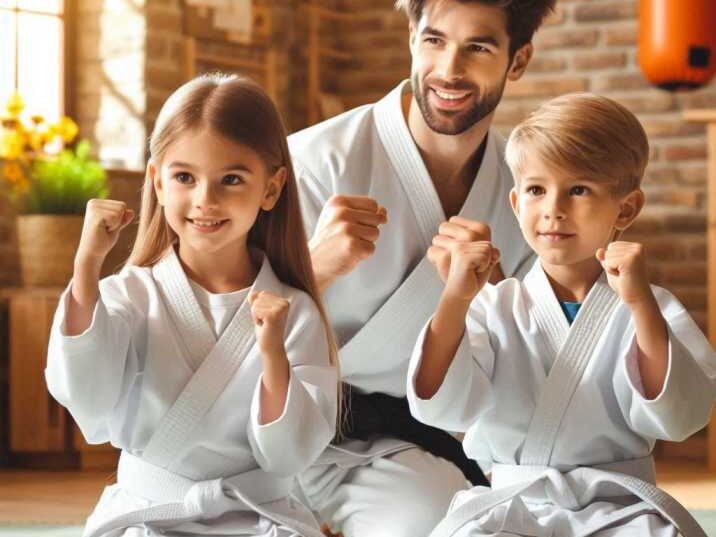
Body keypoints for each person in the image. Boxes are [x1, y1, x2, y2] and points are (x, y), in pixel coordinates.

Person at [288, 0, 555, 535]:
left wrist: (499, 300)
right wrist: (312, 269)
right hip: (275, 424)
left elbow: (528, 365)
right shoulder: (317, 160)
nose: (450, 69)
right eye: (435, 40)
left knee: (447, 518)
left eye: (477, 47)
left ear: (517, 60)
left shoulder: (527, 192)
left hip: (396, 448)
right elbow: (218, 320)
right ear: (411, 36)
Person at [407, 93, 716, 537]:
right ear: (516, 203)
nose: (554, 208)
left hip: (619, 507)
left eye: (578, 189)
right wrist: (456, 297)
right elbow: (444, 406)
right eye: (536, 189)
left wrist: (641, 304)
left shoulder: (650, 303)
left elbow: (679, 416)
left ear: (625, 208)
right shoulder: (494, 305)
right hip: (514, 504)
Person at [45, 74, 339, 537]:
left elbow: (290, 454)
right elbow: (87, 399)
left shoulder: (294, 311)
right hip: (148, 514)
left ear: (272, 188)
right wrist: (88, 265)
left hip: (257, 518)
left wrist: (272, 353)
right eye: (185, 177)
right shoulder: (131, 296)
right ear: (157, 182)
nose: (205, 200)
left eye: (232, 179)